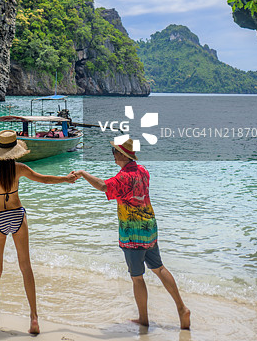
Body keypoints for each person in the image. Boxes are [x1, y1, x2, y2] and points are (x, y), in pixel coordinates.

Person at [0, 129, 77, 335]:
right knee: (26, 267)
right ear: (15, 150)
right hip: (17, 216)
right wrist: (66, 178)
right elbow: (44, 179)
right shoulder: (19, 168)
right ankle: (34, 319)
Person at [72, 138, 190, 330]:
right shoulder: (143, 171)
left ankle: (143, 319)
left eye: (113, 152)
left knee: (137, 277)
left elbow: (103, 186)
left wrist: (83, 173)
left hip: (132, 233)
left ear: (121, 154)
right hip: (149, 227)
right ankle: (182, 308)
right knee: (159, 268)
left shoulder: (123, 178)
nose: (112, 155)